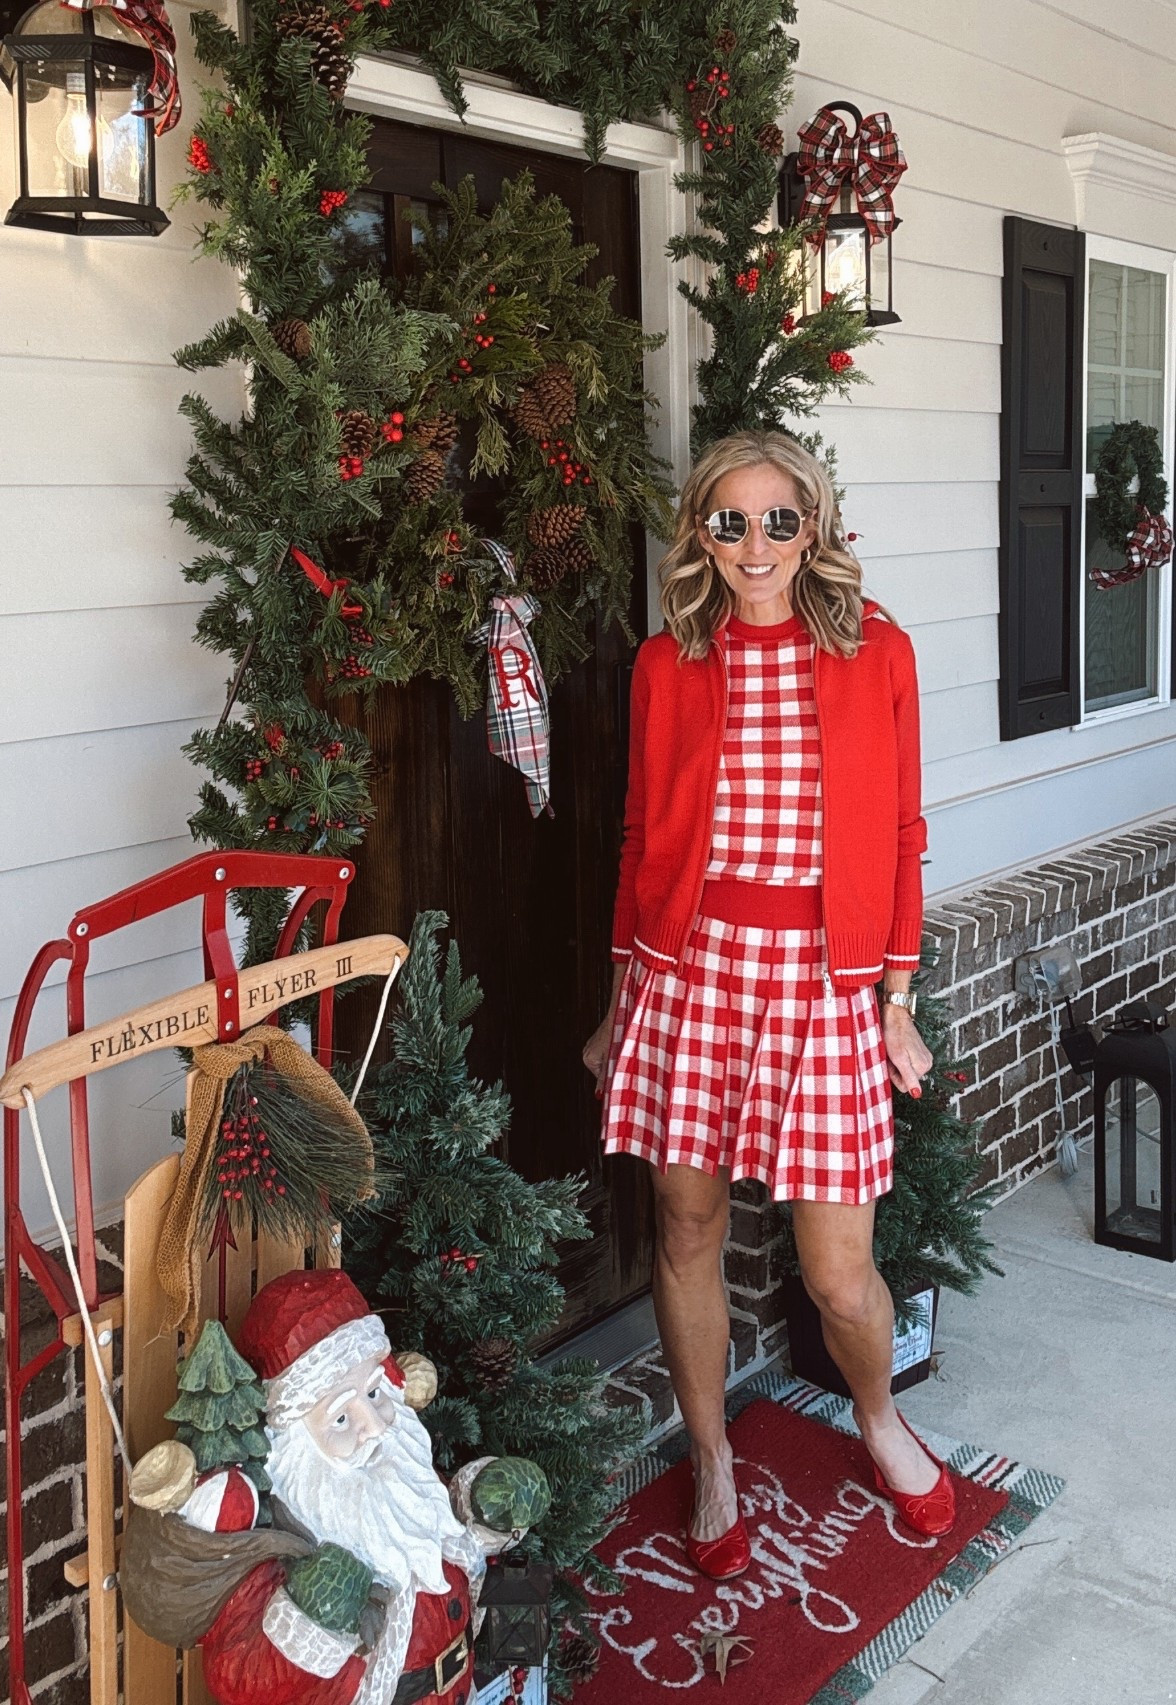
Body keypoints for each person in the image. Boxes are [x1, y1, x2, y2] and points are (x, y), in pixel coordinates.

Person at [582, 429, 954, 1580]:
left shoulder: (875, 651)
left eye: (779, 521)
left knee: (840, 1270)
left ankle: (880, 1418)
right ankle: (712, 1459)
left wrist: (897, 998)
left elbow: (901, 834)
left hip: (827, 983)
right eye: (730, 522)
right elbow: (645, 841)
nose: (756, 546)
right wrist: (618, 1000)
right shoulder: (667, 664)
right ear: (701, 530)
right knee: (686, 1230)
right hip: (689, 978)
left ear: (815, 527)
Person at [123, 1268, 532, 1705]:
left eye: (375, 1394)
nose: (373, 1428)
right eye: (341, 1419)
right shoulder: (281, 1542)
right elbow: (237, 1677)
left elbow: (444, 1539)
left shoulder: (396, 1476)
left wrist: (484, 1510)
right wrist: (310, 1618)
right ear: (295, 1444)